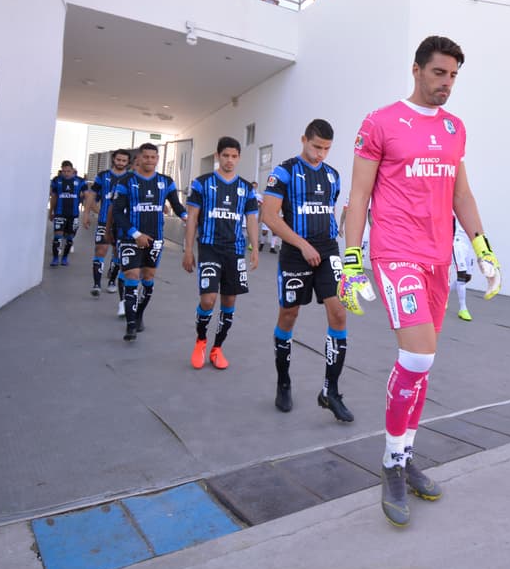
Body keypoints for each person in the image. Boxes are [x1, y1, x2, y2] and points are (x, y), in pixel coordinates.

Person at [338, 35, 502, 528]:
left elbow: (461, 194)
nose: (447, 83)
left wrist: (482, 246)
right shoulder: (380, 122)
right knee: (416, 356)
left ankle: (405, 454)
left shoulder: (454, 128)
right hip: (395, 253)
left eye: (453, 75)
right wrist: (350, 261)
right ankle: (391, 463)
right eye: (439, 73)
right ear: (416, 69)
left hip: (438, 259)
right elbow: (359, 195)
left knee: (423, 365)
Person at [260, 119, 353, 421]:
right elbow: (269, 216)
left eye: (326, 149)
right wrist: (302, 245)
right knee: (289, 315)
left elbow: (329, 210)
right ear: (304, 140)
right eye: (316, 147)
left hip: (327, 251)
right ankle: (283, 381)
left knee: (339, 313)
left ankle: (330, 392)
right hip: (296, 252)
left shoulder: (333, 175)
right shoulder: (283, 172)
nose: (320, 154)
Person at [183, 136, 260, 370]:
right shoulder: (201, 183)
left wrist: (255, 248)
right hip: (209, 248)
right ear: (218, 156)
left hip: (235, 251)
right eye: (225, 155)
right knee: (208, 299)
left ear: (239, 158)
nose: (229, 160)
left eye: (234, 156)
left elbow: (251, 219)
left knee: (229, 301)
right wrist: (188, 250)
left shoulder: (246, 188)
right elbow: (192, 218)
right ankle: (200, 341)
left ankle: (217, 348)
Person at [111, 142, 187, 341]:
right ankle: (130, 325)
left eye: (153, 157)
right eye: (146, 157)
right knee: (131, 276)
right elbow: (117, 212)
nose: (149, 160)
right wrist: (136, 234)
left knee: (148, 277)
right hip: (130, 238)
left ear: (157, 159)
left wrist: (188, 218)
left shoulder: (166, 181)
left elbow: (176, 205)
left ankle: (139, 315)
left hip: (156, 239)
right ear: (139, 158)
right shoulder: (126, 181)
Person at [85, 149, 132, 304]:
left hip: (123, 223)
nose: (121, 163)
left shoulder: (131, 178)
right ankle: (96, 285)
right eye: (118, 160)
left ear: (128, 162)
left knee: (118, 253)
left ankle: (112, 280)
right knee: (100, 249)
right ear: (113, 159)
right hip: (104, 221)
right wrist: (86, 214)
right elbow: (92, 195)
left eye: (124, 161)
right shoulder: (102, 176)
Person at [48, 161, 89, 267]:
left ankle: (65, 258)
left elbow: (87, 196)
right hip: (60, 213)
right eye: (64, 171)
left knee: (70, 237)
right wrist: (51, 211)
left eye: (68, 171)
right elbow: (54, 197)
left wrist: (86, 212)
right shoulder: (56, 180)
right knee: (57, 236)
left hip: (73, 214)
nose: (66, 173)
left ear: (72, 170)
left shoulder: (80, 181)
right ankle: (55, 258)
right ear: (61, 170)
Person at [451, 218, 475, 321]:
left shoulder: (472, 213)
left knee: (467, 277)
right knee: (461, 276)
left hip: (469, 244)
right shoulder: (454, 211)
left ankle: (443, 294)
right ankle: (463, 308)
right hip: (458, 243)